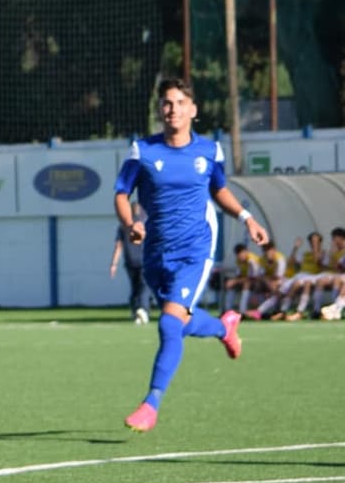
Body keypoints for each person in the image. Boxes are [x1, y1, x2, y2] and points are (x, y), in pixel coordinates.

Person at [113, 76, 267, 432]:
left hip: (195, 250)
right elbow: (122, 193)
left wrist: (247, 217)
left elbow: (220, 190)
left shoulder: (209, 151)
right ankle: (223, 327)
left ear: (193, 110)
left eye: (180, 103)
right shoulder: (143, 151)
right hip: (156, 254)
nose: (173, 110)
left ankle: (151, 404)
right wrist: (131, 223)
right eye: (167, 103)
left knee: (169, 323)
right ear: (160, 110)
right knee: (178, 322)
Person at [108, 200, 151, 324]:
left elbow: (118, 246)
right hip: (144, 260)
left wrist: (113, 264)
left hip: (130, 260)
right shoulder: (145, 224)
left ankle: (135, 312)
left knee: (134, 288)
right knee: (144, 287)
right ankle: (143, 309)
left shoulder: (123, 226)